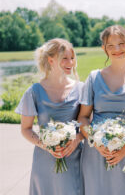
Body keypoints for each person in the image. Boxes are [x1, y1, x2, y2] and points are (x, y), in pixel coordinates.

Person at [78, 25, 125, 195]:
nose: (117, 49)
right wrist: (95, 141)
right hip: (96, 153)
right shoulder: (93, 78)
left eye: (121, 43)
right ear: (103, 48)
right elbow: (83, 117)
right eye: (110, 45)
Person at [15, 38, 83, 195]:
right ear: (51, 60)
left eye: (72, 58)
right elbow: (26, 129)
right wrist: (46, 145)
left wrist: (77, 139)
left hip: (73, 159)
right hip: (44, 161)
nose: (70, 63)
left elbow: (87, 124)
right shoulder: (33, 92)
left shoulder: (81, 89)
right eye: (64, 58)